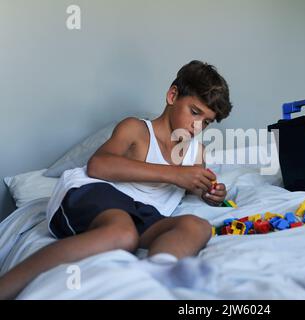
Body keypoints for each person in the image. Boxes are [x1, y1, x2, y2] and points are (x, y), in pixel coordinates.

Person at [0, 60, 233, 299]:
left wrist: (209, 192)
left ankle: (157, 275)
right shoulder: (136, 130)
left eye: (206, 121)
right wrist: (175, 174)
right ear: (173, 95)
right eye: (194, 112)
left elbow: (193, 184)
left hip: (145, 212)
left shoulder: (197, 152)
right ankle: (5, 287)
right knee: (123, 234)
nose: (197, 126)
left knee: (197, 226)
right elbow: (99, 165)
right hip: (96, 192)